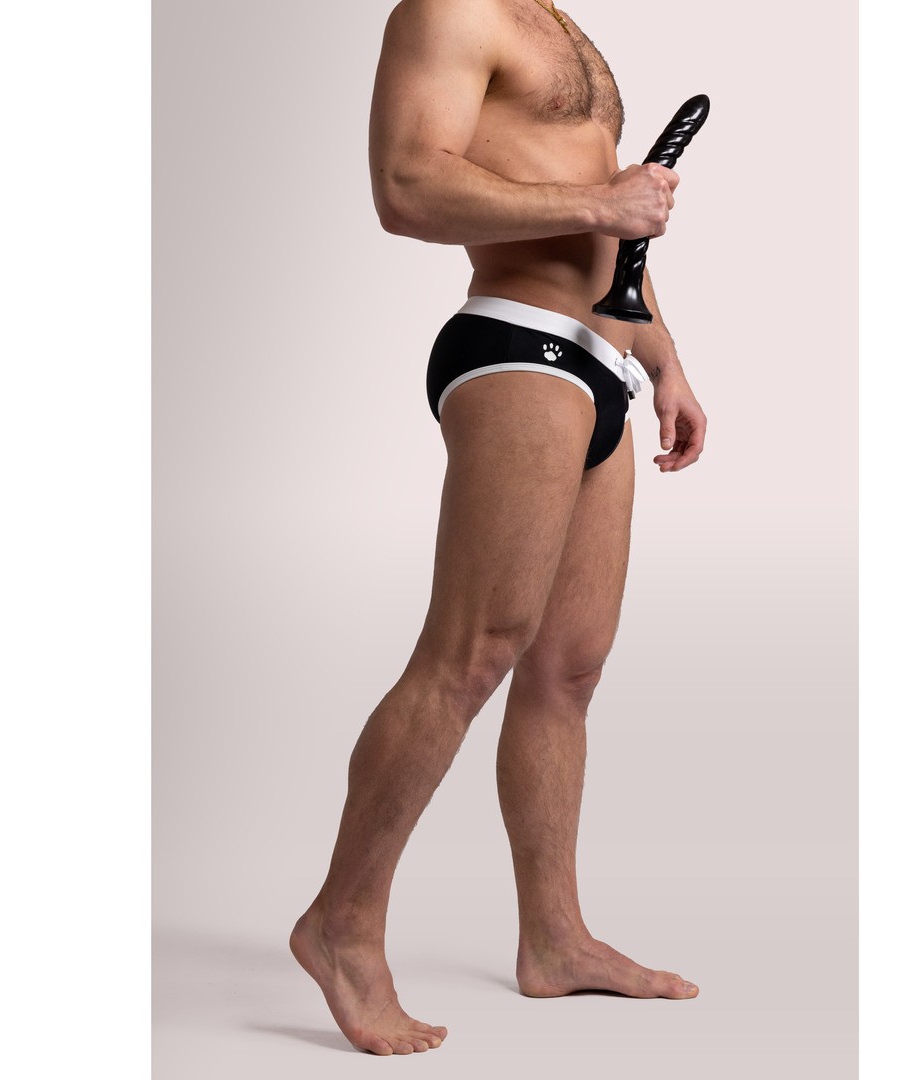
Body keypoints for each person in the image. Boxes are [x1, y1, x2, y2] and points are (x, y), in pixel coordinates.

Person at [291, 0, 707, 1055]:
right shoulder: (449, 10)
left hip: (606, 361)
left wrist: (664, 360)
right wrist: (601, 198)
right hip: (519, 345)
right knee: (473, 650)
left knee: (568, 670)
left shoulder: (558, 24)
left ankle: (554, 940)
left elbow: (608, 221)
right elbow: (406, 187)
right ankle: (340, 923)